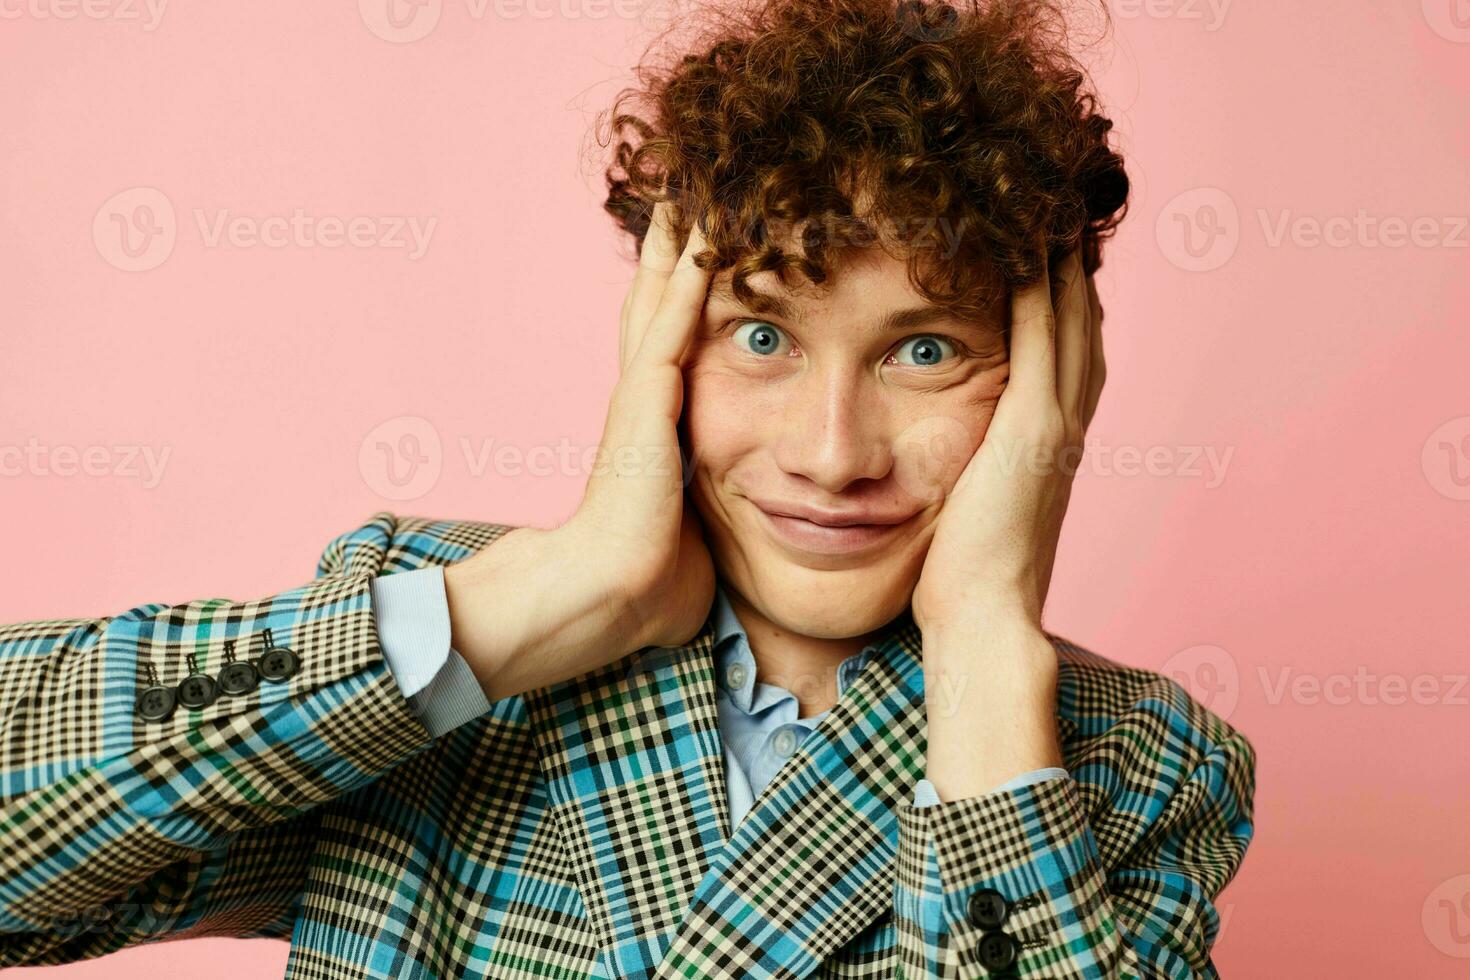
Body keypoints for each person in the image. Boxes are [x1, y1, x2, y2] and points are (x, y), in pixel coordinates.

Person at [0, 0, 1255, 976]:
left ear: (1051, 381)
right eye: (760, 335)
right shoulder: (432, 635)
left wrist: (984, 654)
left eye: (923, 350)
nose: (832, 450)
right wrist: (554, 592)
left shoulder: (1136, 763)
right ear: (662, 338)